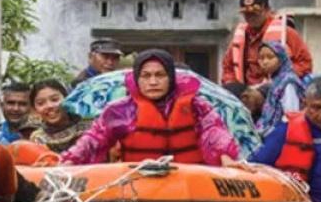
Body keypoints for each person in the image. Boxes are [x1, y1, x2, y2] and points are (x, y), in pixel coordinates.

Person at [61, 49, 242, 166]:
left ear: (170, 77)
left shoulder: (196, 105)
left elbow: (213, 131)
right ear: (137, 79)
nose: (153, 82)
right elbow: (94, 139)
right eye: (146, 76)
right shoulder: (120, 110)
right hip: (141, 182)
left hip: (192, 180)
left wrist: (225, 156)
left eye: (160, 75)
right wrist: (70, 160)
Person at [221, 0, 313, 86]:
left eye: (255, 14)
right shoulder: (240, 36)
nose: (251, 18)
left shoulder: (286, 32)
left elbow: (305, 63)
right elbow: (228, 66)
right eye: (247, 14)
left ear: (267, 11)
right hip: (246, 89)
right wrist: (231, 82)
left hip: (276, 87)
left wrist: (283, 78)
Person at [255, 41, 305, 133]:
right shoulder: (276, 81)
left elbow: (291, 115)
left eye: (270, 57)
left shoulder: (288, 82)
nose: (265, 62)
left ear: (281, 58)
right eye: (261, 58)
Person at [29, 80, 84, 154]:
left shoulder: (88, 125)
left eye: (54, 99)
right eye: (41, 103)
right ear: (34, 109)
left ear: (67, 98)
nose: (49, 106)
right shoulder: (38, 138)